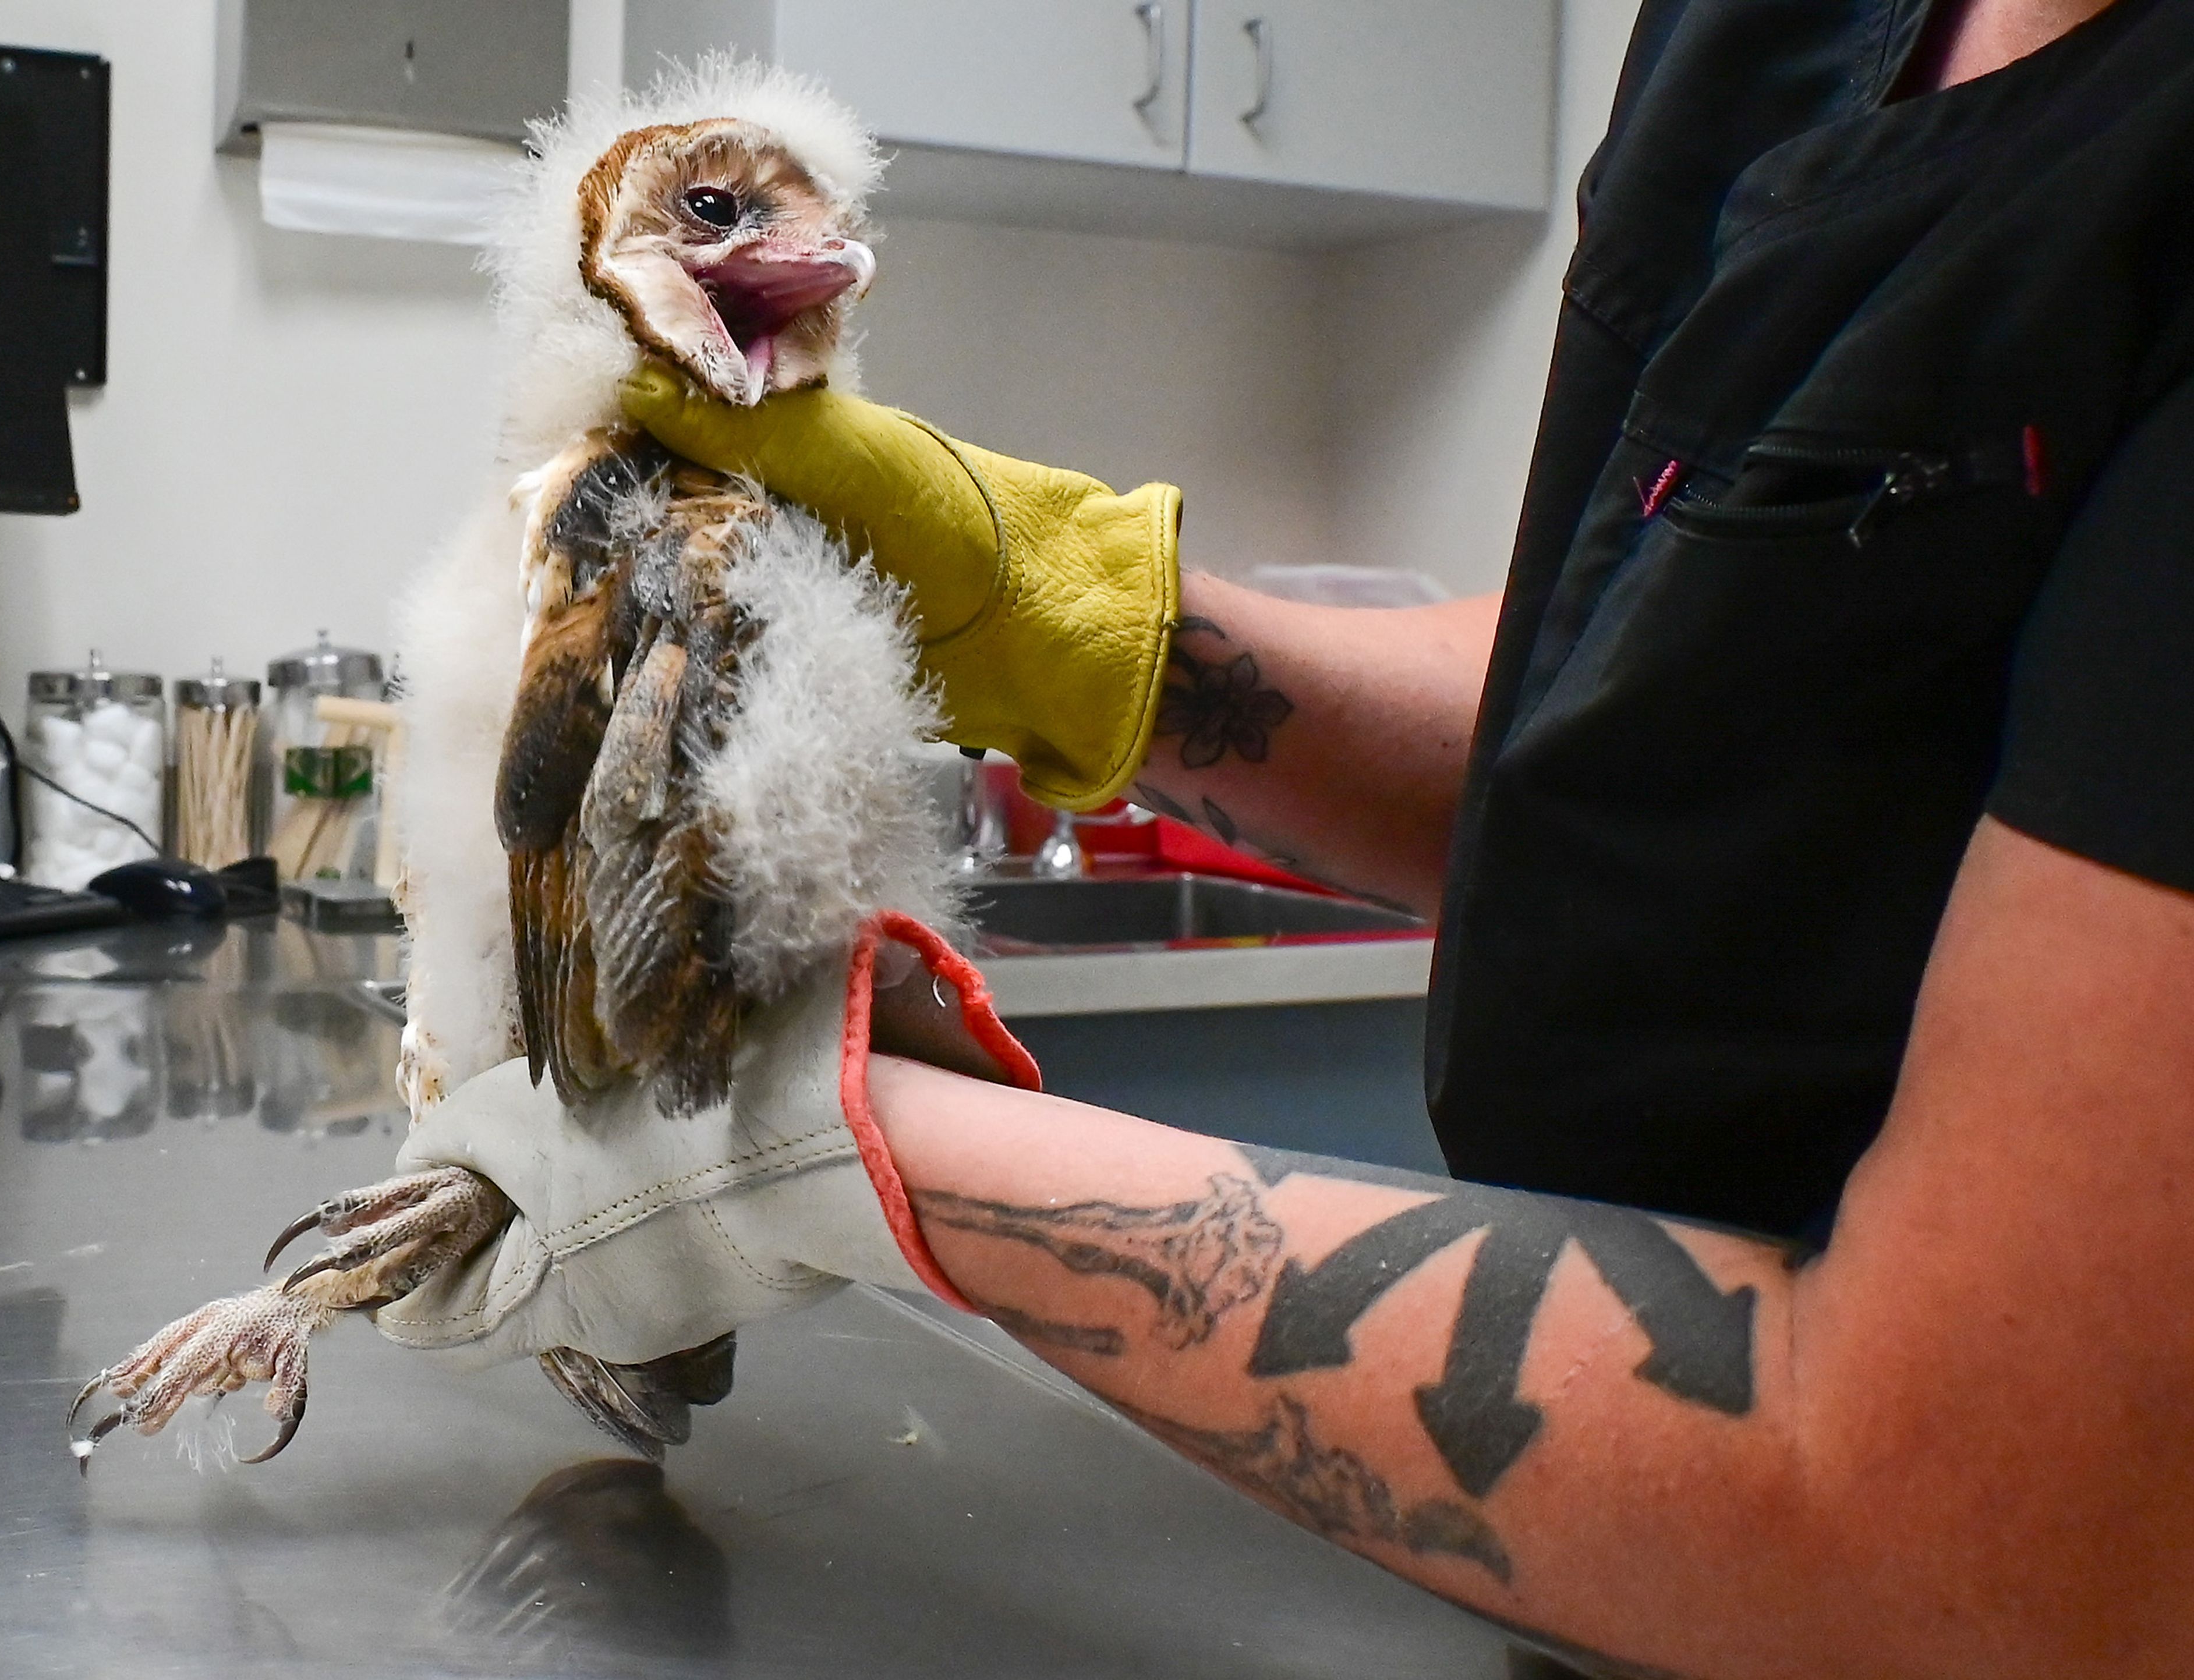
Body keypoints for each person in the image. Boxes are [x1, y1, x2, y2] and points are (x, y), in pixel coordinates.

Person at [386, 0, 2194, 1673]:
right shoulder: (1765, 31)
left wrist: (813, 1136)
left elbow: (1973, 1545)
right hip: (1583, 1588)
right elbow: (1673, 704)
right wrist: (1070, 610)